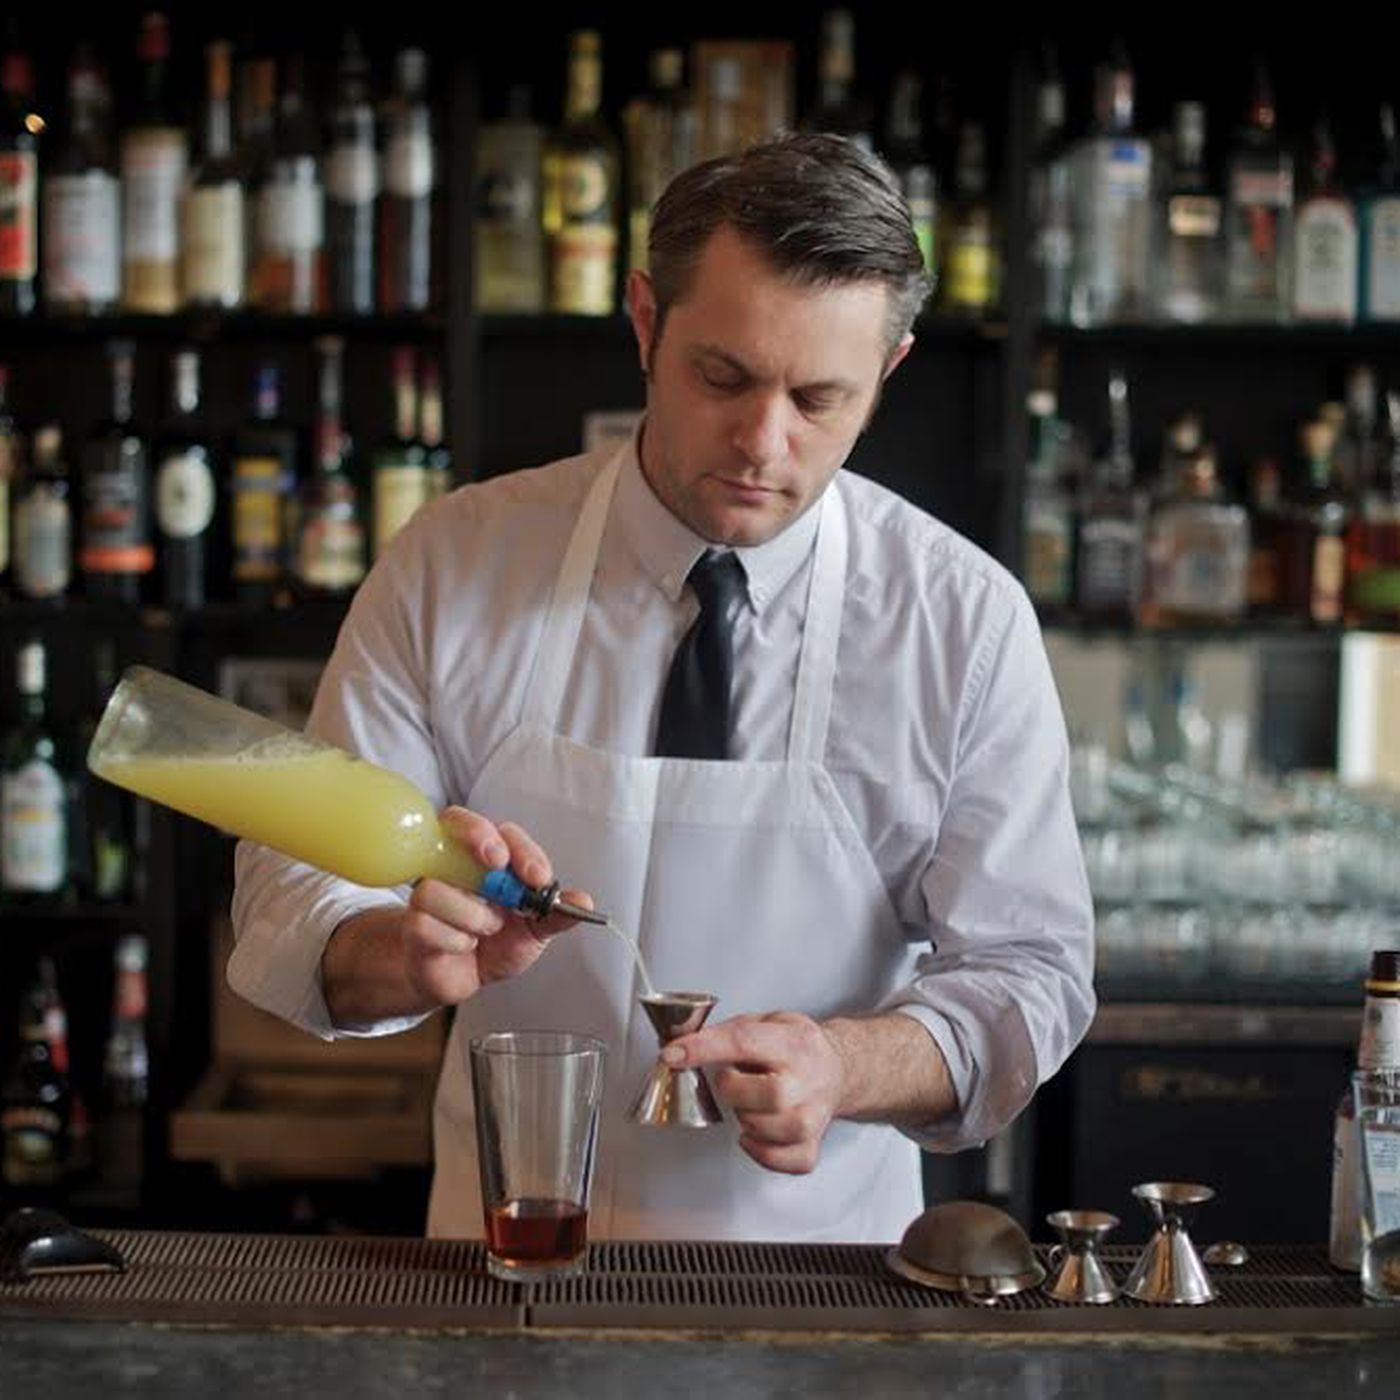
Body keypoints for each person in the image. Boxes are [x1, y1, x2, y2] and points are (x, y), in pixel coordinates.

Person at [230, 132, 1095, 1243]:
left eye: (819, 397)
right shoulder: (455, 563)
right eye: (721, 375)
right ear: (643, 321)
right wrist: (400, 953)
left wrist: (846, 1063)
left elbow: (1029, 973)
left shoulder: (960, 621)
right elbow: (290, 893)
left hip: (828, 1295)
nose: (761, 441)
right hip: (505, 1276)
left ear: (887, 372)